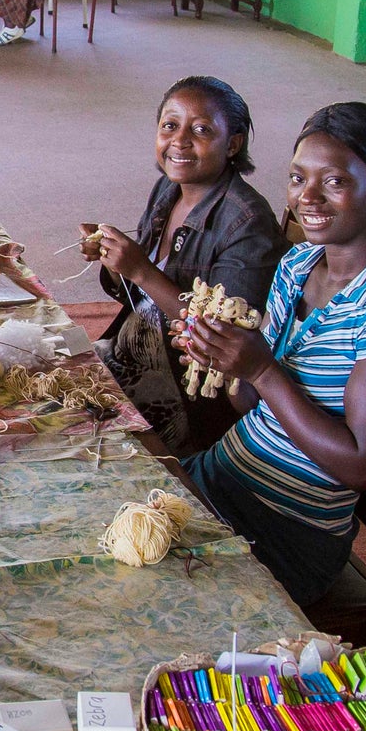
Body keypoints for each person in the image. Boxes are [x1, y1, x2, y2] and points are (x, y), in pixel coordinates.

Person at [180, 103, 366, 610]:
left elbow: (361, 467)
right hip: (225, 475)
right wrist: (223, 357)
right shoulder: (298, 263)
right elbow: (249, 404)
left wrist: (261, 369)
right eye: (297, 178)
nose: (307, 198)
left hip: (289, 530)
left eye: (335, 182)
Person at [81, 76, 283, 456]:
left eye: (202, 130)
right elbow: (137, 298)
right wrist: (114, 262)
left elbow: (222, 345)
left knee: (72, 435)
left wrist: (141, 270)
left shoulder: (247, 223)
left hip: (188, 398)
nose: (180, 140)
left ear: (233, 144)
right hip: (134, 351)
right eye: (169, 126)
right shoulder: (169, 188)